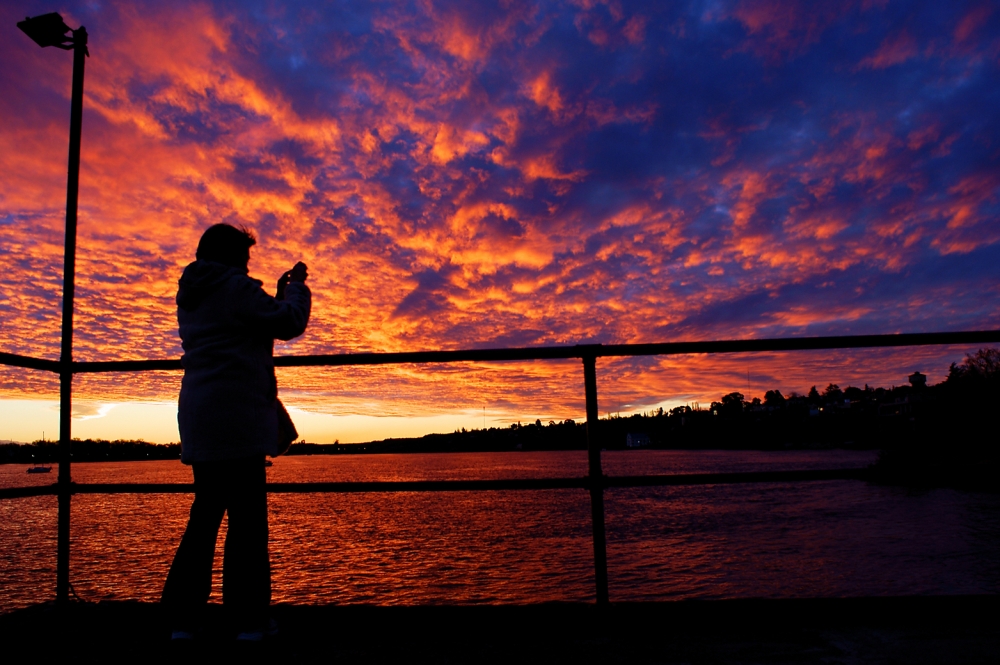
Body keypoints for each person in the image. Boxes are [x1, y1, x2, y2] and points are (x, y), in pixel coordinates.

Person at [162, 223, 311, 641]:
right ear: (231, 256)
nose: (248, 268)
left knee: (204, 519)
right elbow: (287, 322)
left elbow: (248, 322)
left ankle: (183, 622)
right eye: (245, 259)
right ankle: (249, 622)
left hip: (201, 417)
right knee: (247, 526)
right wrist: (296, 288)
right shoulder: (234, 287)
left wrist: (273, 295)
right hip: (237, 420)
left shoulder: (191, 292)